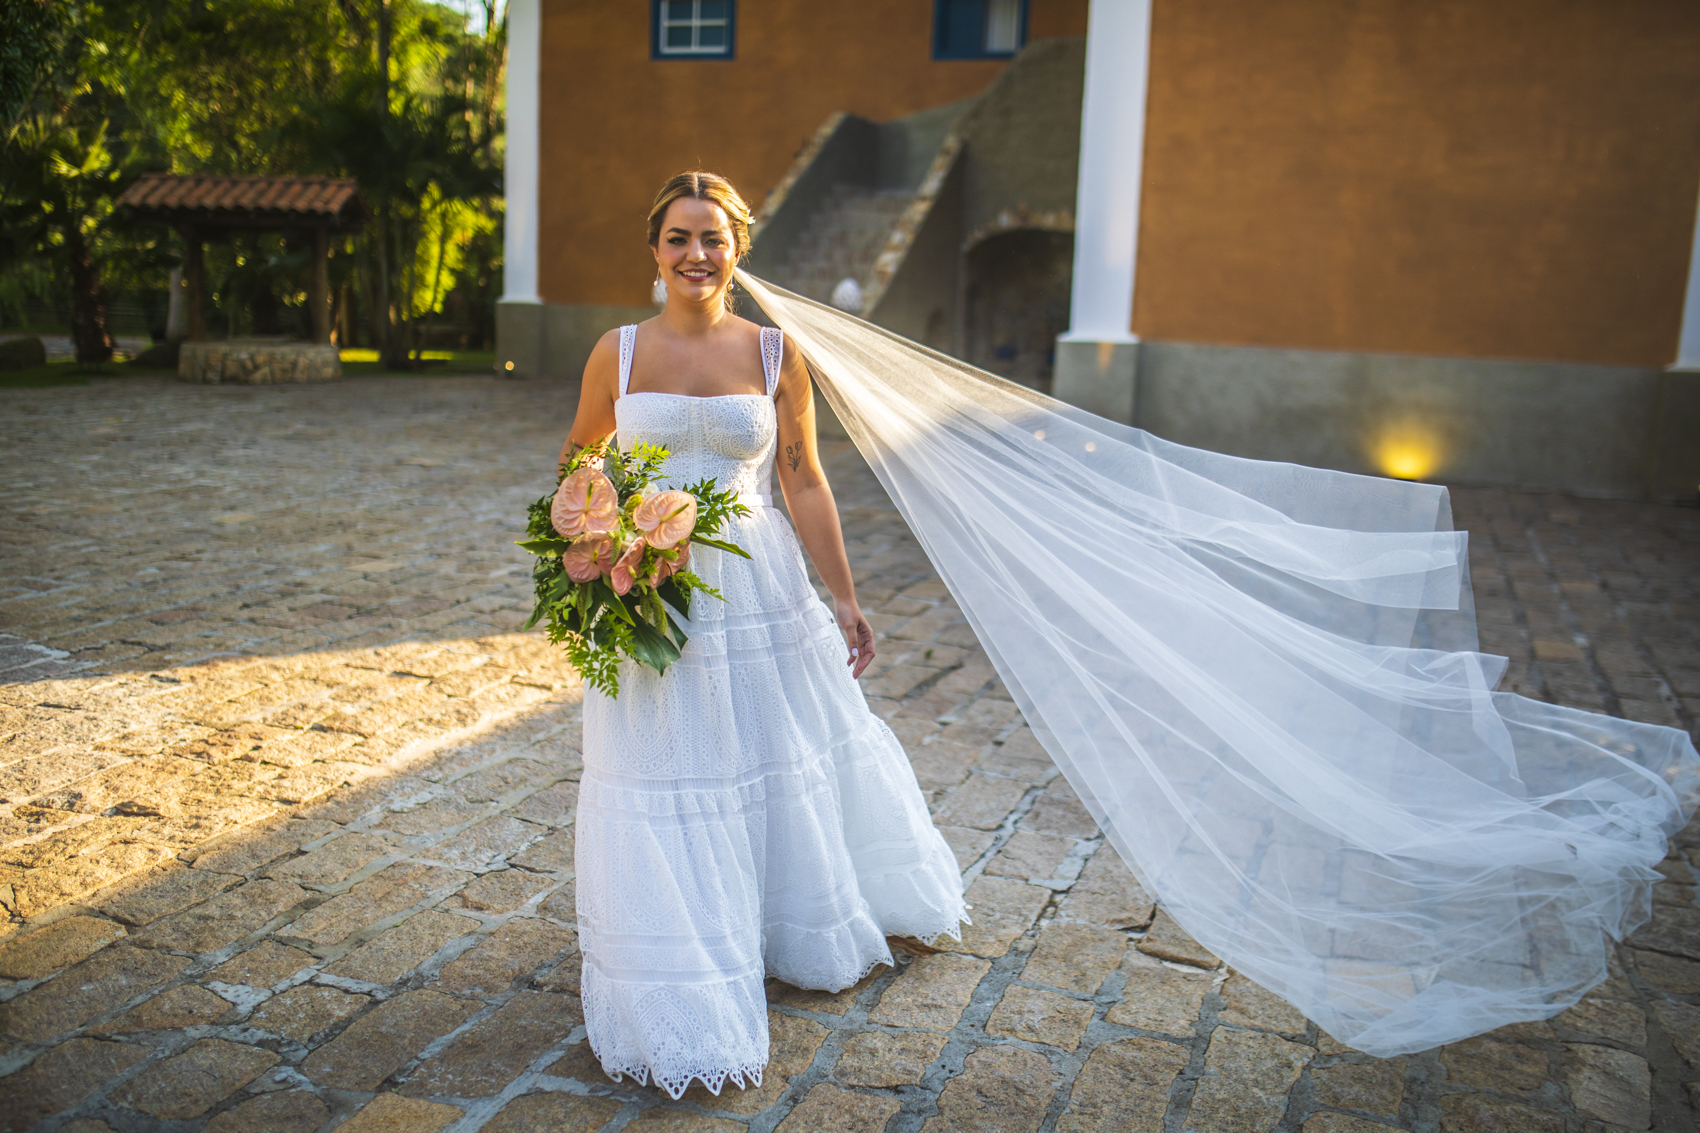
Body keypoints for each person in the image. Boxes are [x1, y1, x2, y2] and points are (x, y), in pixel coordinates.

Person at [556, 171, 967, 1099]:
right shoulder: (616, 355)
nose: (695, 255)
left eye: (712, 238)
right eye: (677, 238)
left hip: (757, 584)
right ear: (653, 250)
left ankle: (784, 922)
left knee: (772, 754)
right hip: (649, 590)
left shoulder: (778, 353)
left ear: (738, 250)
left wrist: (847, 597)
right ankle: (680, 950)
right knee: (670, 767)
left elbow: (805, 479)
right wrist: (596, 544)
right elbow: (580, 459)